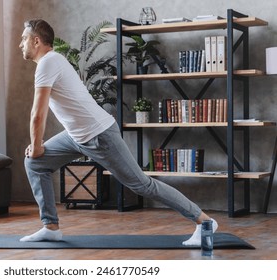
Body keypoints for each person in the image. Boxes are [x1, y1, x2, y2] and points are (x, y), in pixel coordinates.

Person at [19, 19, 218, 245]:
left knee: (143, 185)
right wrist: (37, 150)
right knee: (35, 163)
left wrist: (36, 146)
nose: (20, 44)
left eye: (24, 39)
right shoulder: (50, 62)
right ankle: (51, 226)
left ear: (36, 41)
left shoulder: (48, 62)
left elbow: (38, 112)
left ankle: (204, 222)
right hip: (76, 136)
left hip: (99, 135)